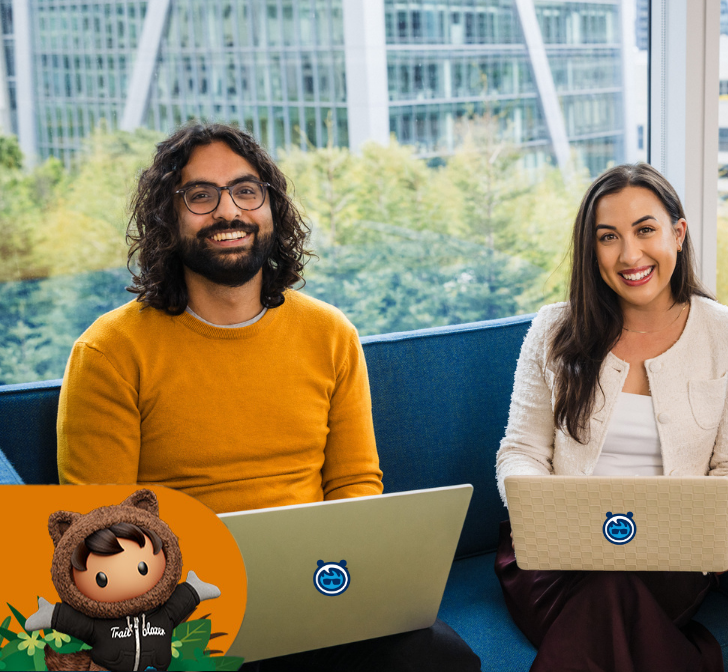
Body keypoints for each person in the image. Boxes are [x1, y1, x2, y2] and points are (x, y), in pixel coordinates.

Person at [56, 123, 480, 671]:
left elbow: (354, 484)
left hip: (320, 587)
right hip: (185, 611)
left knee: (445, 660)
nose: (227, 211)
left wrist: (353, 589)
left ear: (271, 208)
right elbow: (103, 529)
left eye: (246, 190)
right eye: (200, 195)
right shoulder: (109, 351)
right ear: (167, 218)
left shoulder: (330, 334)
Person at [493, 163, 728, 672]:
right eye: (608, 237)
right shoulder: (553, 329)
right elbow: (522, 451)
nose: (629, 254)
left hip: (672, 556)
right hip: (553, 557)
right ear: (591, 248)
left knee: (615, 589)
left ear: (678, 234)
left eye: (646, 229)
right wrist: (538, 513)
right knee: (610, 592)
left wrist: (724, 523)